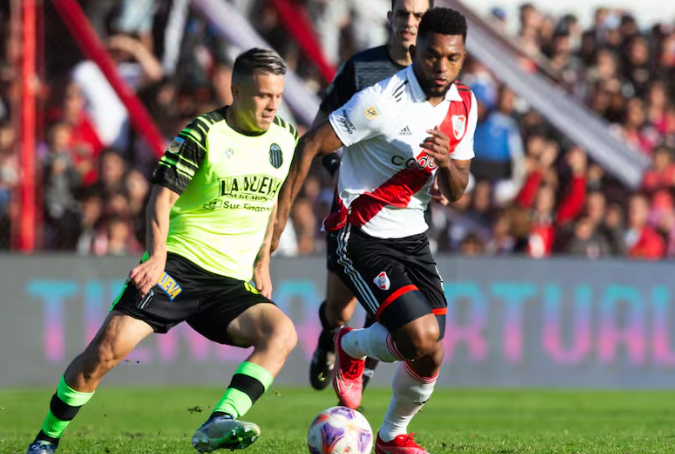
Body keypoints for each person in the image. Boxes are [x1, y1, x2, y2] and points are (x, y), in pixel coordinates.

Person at [26, 48, 299, 454]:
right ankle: (46, 438)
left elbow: (273, 198)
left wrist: (263, 261)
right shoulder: (202, 133)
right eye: (262, 95)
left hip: (230, 282)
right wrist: (156, 257)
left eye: (277, 95)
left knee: (282, 334)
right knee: (104, 353)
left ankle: (219, 421)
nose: (272, 105)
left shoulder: (285, 137)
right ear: (236, 90)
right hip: (178, 267)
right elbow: (160, 198)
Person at [272, 8, 476, 454]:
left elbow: (457, 189)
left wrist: (444, 164)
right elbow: (310, 144)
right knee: (417, 337)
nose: (441, 67)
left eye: (452, 58)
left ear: (462, 58)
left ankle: (389, 437)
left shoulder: (465, 104)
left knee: (431, 352)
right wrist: (279, 220)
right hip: (360, 233)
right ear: (416, 49)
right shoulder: (381, 100)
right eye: (432, 55)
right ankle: (348, 343)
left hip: (413, 238)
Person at [310, 0, 433, 396]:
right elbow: (320, 132)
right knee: (339, 309)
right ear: (390, 18)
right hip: (355, 208)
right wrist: (340, 171)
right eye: (403, 14)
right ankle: (330, 339)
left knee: (393, 305)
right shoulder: (361, 69)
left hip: (405, 214)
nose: (410, 23)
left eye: (419, 16)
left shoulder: (439, 77)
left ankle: (361, 376)